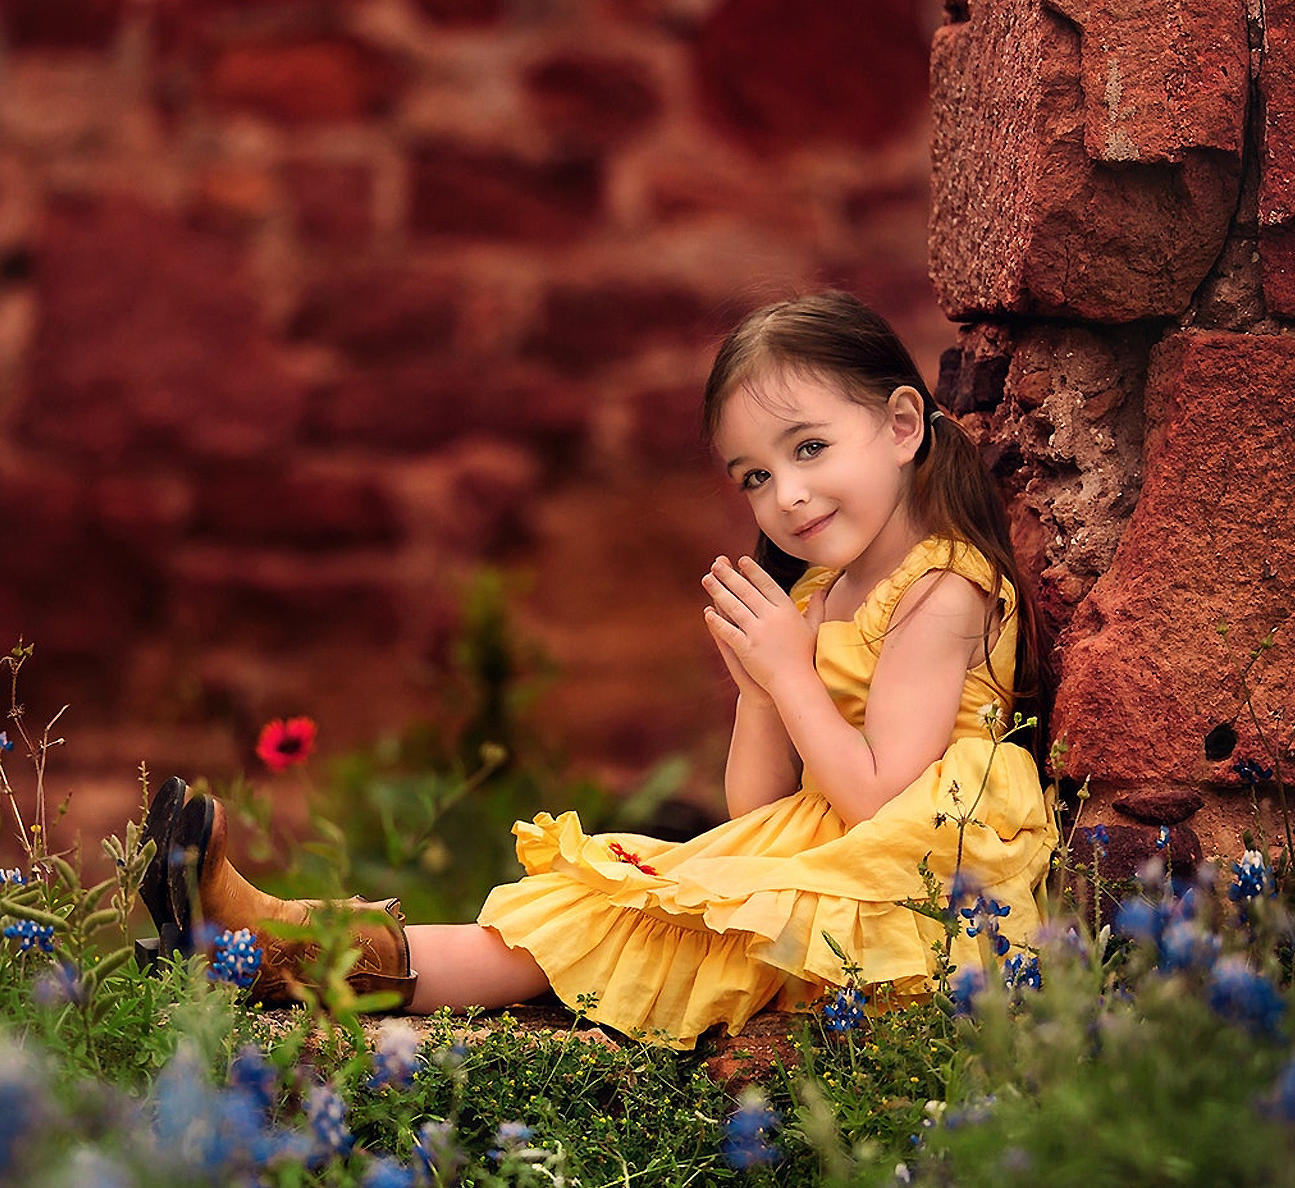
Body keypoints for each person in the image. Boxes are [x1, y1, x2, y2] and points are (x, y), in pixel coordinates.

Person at [140, 291, 1058, 1049]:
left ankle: (276, 948)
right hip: (818, 856)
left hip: (911, 894)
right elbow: (757, 806)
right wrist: (758, 695)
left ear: (901, 425)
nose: (789, 495)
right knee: (576, 908)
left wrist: (790, 676)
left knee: (592, 927)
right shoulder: (823, 589)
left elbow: (880, 804)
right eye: (753, 477)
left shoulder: (942, 591)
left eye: (809, 448)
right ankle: (276, 944)